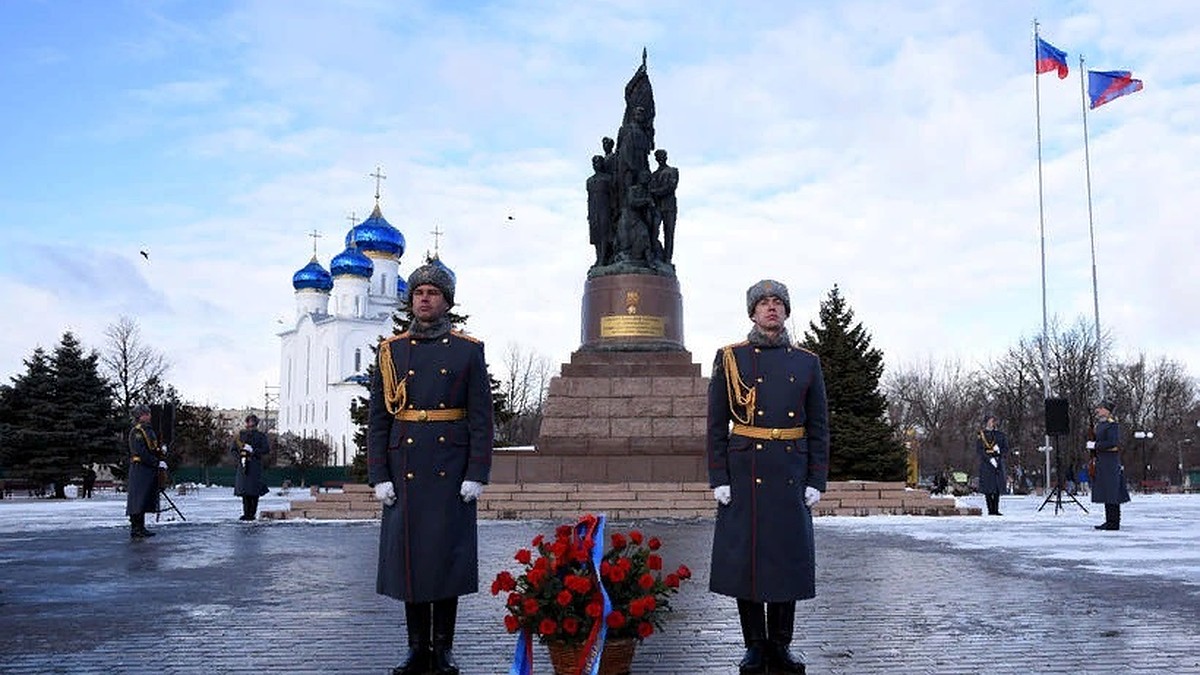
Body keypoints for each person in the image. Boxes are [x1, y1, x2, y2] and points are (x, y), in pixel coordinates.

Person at [368, 262, 494, 675]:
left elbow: (480, 418)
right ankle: (415, 647)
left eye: (433, 293)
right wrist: (379, 475)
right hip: (405, 468)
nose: (425, 298)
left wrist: (477, 471)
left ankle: (443, 648)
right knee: (411, 562)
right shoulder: (391, 351)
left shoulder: (467, 350)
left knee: (445, 559)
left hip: (450, 468)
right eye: (419, 292)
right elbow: (378, 420)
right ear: (411, 299)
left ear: (446, 302)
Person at [707, 279, 829, 675]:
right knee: (748, 561)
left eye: (778, 303)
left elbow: (819, 426)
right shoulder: (730, 358)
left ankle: (781, 643)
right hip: (746, 474)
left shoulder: (806, 361)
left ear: (787, 311)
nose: (771, 309)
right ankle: (754, 645)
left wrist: (816, 479)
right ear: (752, 312)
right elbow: (715, 424)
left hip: (790, 474)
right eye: (764, 303)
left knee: (785, 561)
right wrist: (719, 477)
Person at [125, 404, 165, 539]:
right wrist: (155, 462)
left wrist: (160, 454)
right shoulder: (137, 431)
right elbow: (140, 451)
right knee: (137, 499)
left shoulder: (148, 430)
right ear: (140, 416)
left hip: (147, 468)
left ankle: (141, 527)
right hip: (140, 467)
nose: (149, 416)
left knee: (143, 498)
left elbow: (153, 448)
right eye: (147, 414)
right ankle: (135, 528)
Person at [1088, 399, 1129, 530]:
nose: (1097, 410)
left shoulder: (1112, 425)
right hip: (1102, 461)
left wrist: (1096, 445)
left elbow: (1112, 442)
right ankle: (1109, 520)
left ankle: (1114, 522)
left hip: (1110, 461)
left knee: (1112, 492)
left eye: (1100, 408)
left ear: (1106, 410)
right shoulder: (1100, 425)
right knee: (1107, 491)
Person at [231, 414, 270, 520]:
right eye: (249, 422)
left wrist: (254, 451)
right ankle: (246, 513)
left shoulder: (261, 436)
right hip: (243, 466)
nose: (251, 425)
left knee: (254, 492)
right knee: (245, 492)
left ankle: (252, 513)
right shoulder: (240, 435)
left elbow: (266, 449)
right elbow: (233, 449)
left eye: (253, 422)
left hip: (255, 466)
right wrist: (241, 456)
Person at [648, 148, 679, 263]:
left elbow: (671, 187)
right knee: (654, 230)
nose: (660, 158)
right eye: (658, 156)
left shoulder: (673, 171)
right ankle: (656, 254)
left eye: (662, 156)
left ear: (666, 157)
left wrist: (655, 192)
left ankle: (667, 259)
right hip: (657, 207)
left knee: (669, 232)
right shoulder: (654, 175)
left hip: (669, 206)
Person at [975, 415, 1008, 515]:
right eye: (989, 421)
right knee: (988, 488)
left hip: (998, 462)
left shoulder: (1000, 435)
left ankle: (996, 509)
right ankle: (990, 510)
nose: (991, 423)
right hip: (987, 464)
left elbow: (1005, 448)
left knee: (997, 487)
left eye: (992, 421)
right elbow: (980, 449)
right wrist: (989, 459)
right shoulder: (981, 434)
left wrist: (999, 451)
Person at [586, 154, 615, 266]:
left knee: (604, 233)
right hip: (594, 209)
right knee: (595, 234)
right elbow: (589, 198)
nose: (596, 165)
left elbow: (614, 195)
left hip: (605, 207)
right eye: (594, 163)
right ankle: (598, 258)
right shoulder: (590, 181)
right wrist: (589, 213)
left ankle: (603, 258)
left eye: (598, 162)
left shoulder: (608, 179)